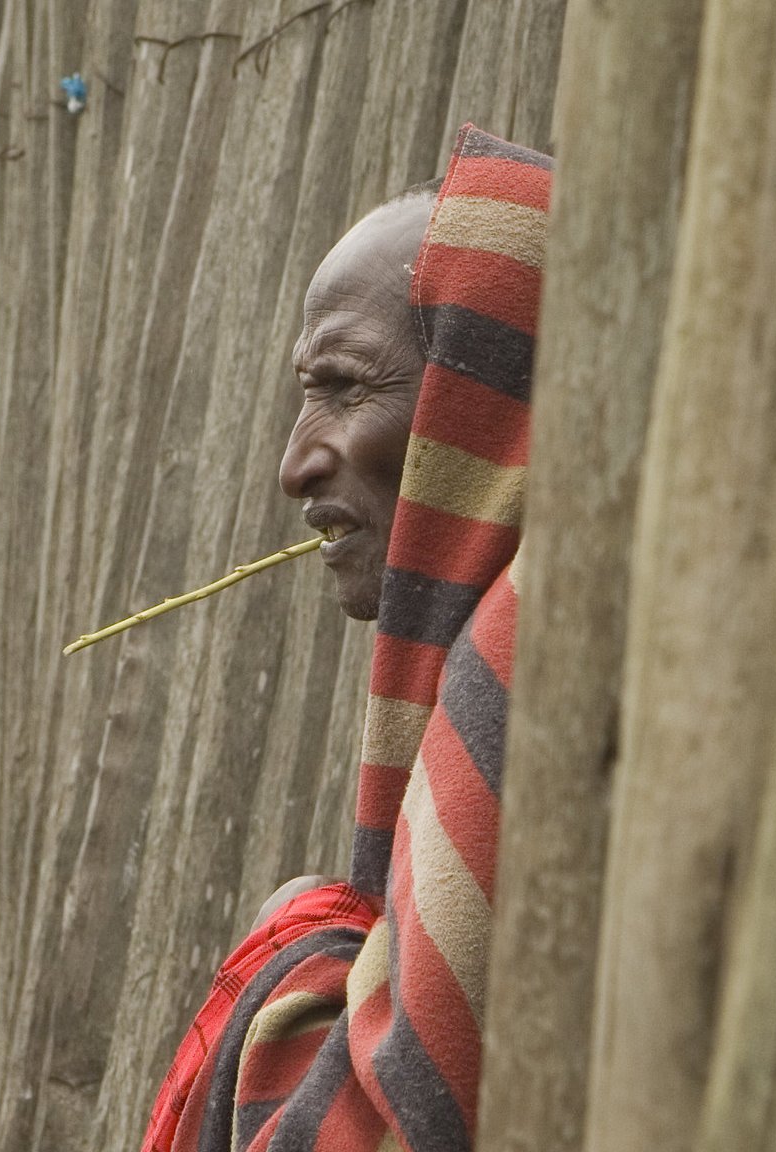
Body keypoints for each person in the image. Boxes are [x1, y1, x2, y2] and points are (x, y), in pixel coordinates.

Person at [142, 124, 552, 1152]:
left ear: (480, 399)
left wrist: (301, 940)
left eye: (343, 386)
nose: (295, 465)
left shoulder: (531, 662)